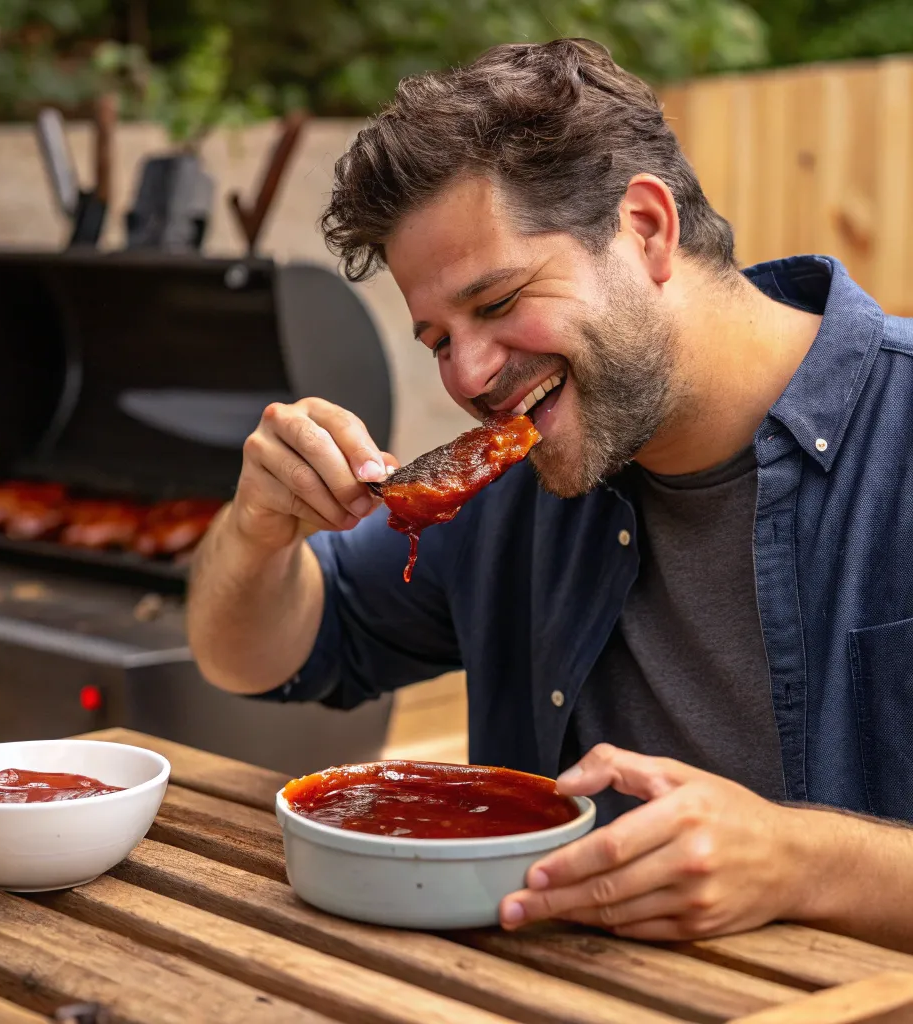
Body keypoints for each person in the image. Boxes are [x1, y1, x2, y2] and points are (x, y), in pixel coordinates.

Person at [187, 38, 913, 949]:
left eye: (495, 304)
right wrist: (258, 532)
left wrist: (804, 861)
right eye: (437, 339)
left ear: (645, 230)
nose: (471, 374)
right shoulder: (518, 478)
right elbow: (254, 657)